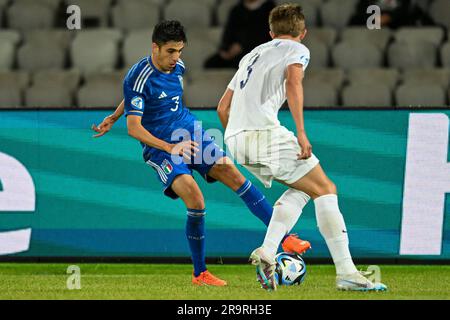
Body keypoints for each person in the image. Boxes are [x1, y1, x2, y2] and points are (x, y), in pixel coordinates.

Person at [92, 20, 311, 287]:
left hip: (187, 132)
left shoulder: (178, 67)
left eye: (180, 51)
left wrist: (114, 115)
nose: (176, 58)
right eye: (171, 51)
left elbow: (134, 98)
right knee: (195, 198)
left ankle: (283, 237)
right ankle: (200, 274)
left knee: (230, 170)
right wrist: (168, 146)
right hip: (161, 146)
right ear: (155, 47)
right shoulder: (138, 75)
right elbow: (134, 127)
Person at [217, 4, 388, 292]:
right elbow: (294, 82)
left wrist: (238, 140)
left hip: (236, 138)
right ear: (303, 32)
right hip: (263, 134)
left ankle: (268, 251)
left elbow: (223, 107)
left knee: (305, 188)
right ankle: (346, 272)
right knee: (325, 188)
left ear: (270, 32)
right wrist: (301, 132)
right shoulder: (297, 49)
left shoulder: (251, 55)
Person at [204, 0, 276, 69]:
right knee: (211, 63)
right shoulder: (236, 10)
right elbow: (228, 33)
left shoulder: (269, 9)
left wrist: (242, 46)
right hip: (234, 51)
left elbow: (265, 35)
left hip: (257, 51)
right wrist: (226, 50)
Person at [350, 0, 434, 29]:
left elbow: (406, 9)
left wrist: (390, 17)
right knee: (354, 21)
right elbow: (361, 8)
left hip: (397, 22)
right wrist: (374, 19)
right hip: (372, 21)